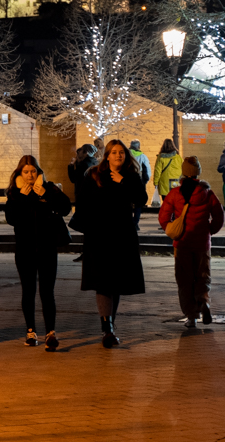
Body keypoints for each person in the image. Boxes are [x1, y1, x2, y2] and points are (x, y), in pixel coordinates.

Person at [74, 140, 146, 347]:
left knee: (117, 282)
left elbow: (141, 199)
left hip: (122, 235)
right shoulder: (95, 175)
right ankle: (107, 328)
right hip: (100, 236)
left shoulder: (131, 176)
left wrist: (123, 182)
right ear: (107, 155)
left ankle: (110, 325)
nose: (118, 156)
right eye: (114, 152)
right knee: (103, 281)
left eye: (121, 152)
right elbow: (83, 202)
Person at [4, 154, 71, 350]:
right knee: (28, 291)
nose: (30, 175)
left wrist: (47, 195)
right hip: (24, 250)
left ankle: (50, 332)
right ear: (20, 173)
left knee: (47, 291)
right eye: (26, 172)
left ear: (38, 171)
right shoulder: (15, 193)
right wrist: (23, 198)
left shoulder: (49, 188)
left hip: (47, 248)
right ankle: (30, 331)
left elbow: (66, 207)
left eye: (33, 171)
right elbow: (11, 218)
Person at [159, 156, 223, 327]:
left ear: (184, 172)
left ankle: (191, 316)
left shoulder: (175, 193)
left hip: (182, 243)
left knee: (184, 280)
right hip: (202, 243)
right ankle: (204, 302)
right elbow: (219, 215)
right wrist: (210, 230)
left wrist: (172, 229)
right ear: (198, 173)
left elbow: (163, 216)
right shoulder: (207, 193)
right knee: (203, 276)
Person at [152, 139, 182, 208]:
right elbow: (182, 169)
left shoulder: (161, 157)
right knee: (175, 202)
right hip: (175, 183)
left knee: (166, 203)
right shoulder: (178, 157)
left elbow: (157, 171)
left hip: (164, 183)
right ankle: (174, 217)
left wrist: (156, 183)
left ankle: (168, 217)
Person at [128, 140, 152, 223]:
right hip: (139, 181)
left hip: (127, 180)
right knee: (138, 202)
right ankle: (136, 222)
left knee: (128, 202)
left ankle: (129, 221)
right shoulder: (143, 156)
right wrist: (146, 180)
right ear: (139, 147)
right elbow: (147, 170)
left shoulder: (126, 155)